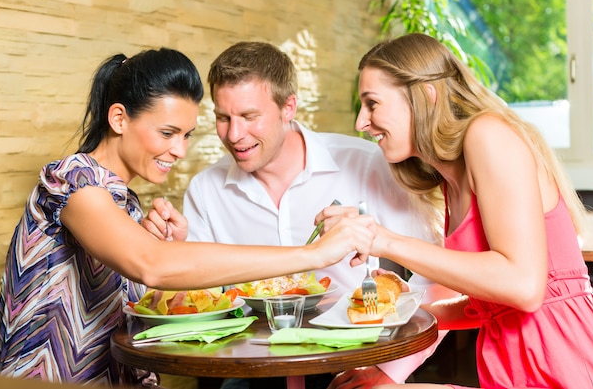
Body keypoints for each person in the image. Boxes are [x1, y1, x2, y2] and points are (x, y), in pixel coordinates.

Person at [0, 48, 376, 387]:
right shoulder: (71, 182)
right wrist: (315, 254)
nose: (179, 150)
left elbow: (144, 302)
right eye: (167, 132)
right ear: (119, 119)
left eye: (187, 134)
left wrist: (175, 253)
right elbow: (152, 266)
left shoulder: (122, 204)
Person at [323, 33, 593, 388]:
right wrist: (396, 316)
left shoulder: (487, 135)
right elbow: (491, 306)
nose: (361, 122)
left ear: (425, 94)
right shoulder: (450, 181)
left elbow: (523, 287)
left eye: (373, 103)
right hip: (510, 369)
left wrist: (382, 240)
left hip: (563, 365)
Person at [182, 41, 459, 389]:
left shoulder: (369, 164)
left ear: (288, 107)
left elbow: (440, 274)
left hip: (359, 364)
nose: (234, 135)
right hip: (251, 372)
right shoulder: (205, 190)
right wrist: (172, 248)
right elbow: (195, 299)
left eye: (250, 117)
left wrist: (391, 370)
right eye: (223, 118)